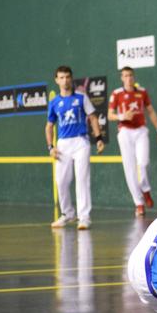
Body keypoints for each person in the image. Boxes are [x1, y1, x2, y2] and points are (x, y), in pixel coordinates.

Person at [46, 66, 105, 230]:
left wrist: (98, 138)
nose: (65, 80)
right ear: (57, 80)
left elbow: (93, 118)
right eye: (61, 77)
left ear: (71, 79)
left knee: (82, 179)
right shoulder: (54, 102)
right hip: (63, 144)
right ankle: (67, 213)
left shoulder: (81, 97)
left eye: (67, 77)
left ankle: (84, 217)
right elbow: (49, 126)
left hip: (81, 142)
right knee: (61, 181)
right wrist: (50, 147)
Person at [108, 67, 157, 216]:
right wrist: (122, 117)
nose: (128, 78)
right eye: (125, 76)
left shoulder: (142, 92)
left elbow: (151, 111)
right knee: (130, 169)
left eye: (130, 75)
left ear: (134, 77)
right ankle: (138, 203)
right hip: (125, 132)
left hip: (140, 131)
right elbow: (110, 115)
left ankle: (145, 189)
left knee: (143, 163)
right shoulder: (116, 94)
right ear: (122, 78)